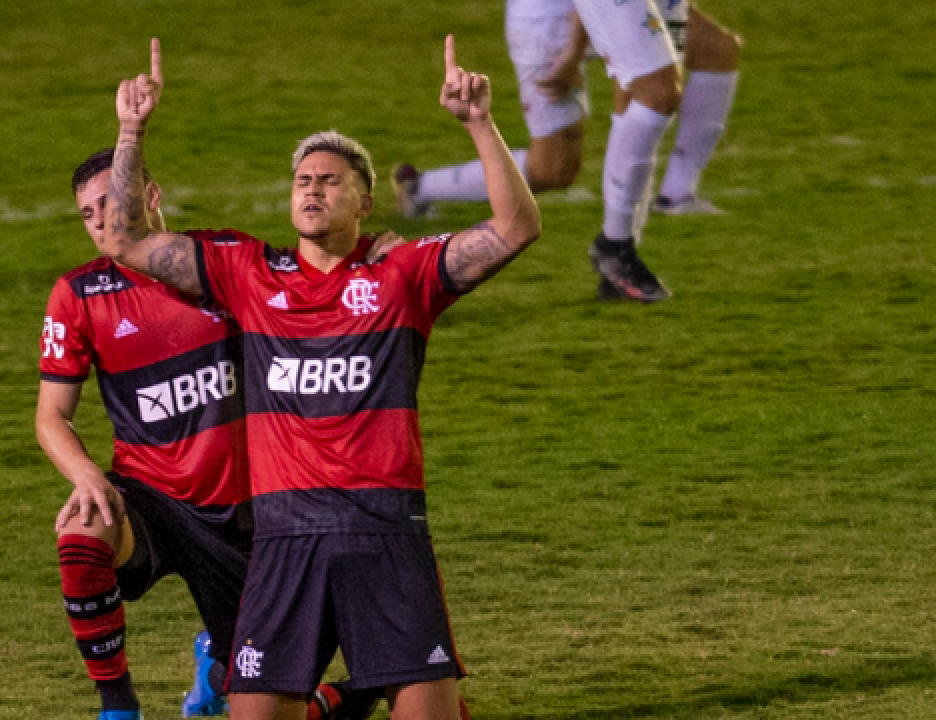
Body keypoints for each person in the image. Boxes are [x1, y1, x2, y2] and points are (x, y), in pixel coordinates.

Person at [99, 36, 538, 720]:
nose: (312, 187)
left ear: (365, 201)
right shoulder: (248, 275)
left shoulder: (402, 275)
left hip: (386, 536)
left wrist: (479, 122)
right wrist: (131, 131)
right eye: (303, 179)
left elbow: (515, 229)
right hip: (284, 541)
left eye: (330, 179)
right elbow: (124, 238)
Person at [39, 149, 392, 720]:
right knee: (83, 526)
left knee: (273, 708)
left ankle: (323, 692)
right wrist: (84, 476)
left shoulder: (220, 261)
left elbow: (310, 287)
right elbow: (51, 415)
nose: (102, 221)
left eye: (111, 202)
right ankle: (118, 707)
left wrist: (370, 260)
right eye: (87, 213)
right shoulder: (79, 295)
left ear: (149, 196)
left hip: (253, 515)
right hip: (153, 500)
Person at [394, 0, 740, 302]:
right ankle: (420, 187)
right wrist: (573, 51)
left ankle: (637, 229)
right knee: (554, 167)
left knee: (689, 65)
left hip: (594, 15)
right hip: (546, 21)